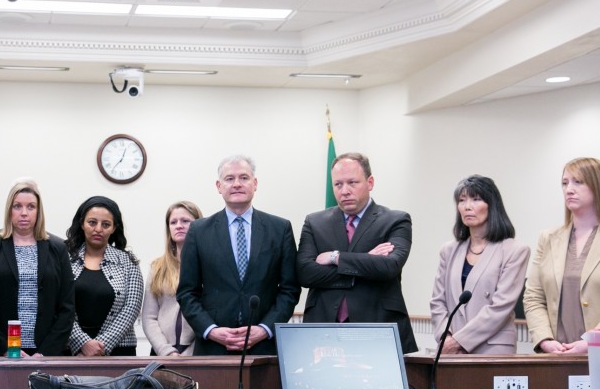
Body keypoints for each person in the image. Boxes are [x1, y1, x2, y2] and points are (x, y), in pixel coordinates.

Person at [523, 157, 600, 354]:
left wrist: (593, 341)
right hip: (556, 355)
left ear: (599, 186)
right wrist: (545, 340)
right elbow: (533, 297)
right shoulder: (547, 238)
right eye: (564, 183)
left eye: (578, 182)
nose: (569, 189)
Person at [296, 152, 417, 353]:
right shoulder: (315, 222)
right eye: (338, 184)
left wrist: (335, 257)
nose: (345, 191)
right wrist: (366, 263)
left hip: (378, 328)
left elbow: (389, 267)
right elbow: (305, 272)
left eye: (352, 183)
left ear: (370, 182)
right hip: (323, 329)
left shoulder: (396, 220)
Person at [177, 155, 299, 355]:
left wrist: (264, 329)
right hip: (213, 347)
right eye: (229, 178)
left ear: (255, 183)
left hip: (264, 346)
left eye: (244, 178)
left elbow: (289, 289)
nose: (236, 184)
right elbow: (187, 292)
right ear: (219, 186)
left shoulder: (280, 228)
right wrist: (211, 330)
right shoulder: (198, 231)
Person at [429, 175, 530, 354]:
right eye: (462, 200)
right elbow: (438, 302)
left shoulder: (514, 251)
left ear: (492, 205)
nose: (467, 206)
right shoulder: (448, 250)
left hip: (492, 348)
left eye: (476, 199)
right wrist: (446, 338)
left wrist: (459, 341)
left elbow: (501, 307)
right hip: (450, 349)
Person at [0, 180, 75, 357]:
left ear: (39, 211)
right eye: (17, 206)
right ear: (9, 210)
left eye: (31, 207)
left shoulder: (58, 247)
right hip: (1, 350)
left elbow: (67, 306)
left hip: (46, 351)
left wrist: (46, 352)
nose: (24, 213)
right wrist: (6, 349)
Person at [65, 196, 144, 356]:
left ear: (114, 228)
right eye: (92, 222)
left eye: (106, 224)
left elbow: (131, 309)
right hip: (73, 351)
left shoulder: (129, 262)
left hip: (120, 350)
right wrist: (83, 343)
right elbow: (58, 306)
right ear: (82, 224)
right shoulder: (64, 259)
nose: (98, 229)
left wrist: (100, 347)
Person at [142, 201, 203, 356]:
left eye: (185, 221)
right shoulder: (157, 267)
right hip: (162, 353)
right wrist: (166, 351)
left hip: (198, 352)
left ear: (199, 225)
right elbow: (149, 318)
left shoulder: (209, 266)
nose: (179, 226)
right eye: (173, 222)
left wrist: (190, 353)